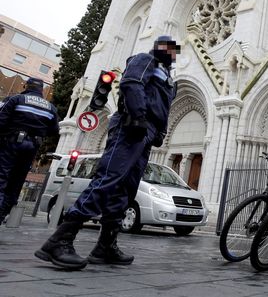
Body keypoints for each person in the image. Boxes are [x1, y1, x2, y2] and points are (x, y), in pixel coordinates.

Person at [35, 35, 179, 270]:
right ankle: (60, 239)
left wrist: (160, 131)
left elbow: (165, 107)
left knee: (126, 188)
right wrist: (139, 115)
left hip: (147, 132)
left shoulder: (170, 79)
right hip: (131, 124)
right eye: (167, 47)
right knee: (109, 178)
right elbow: (131, 84)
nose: (170, 52)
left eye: (173, 49)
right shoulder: (145, 60)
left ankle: (105, 245)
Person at [0, 78, 59, 225]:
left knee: (2, 178)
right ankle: (2, 215)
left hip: (11, 143)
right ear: (41, 90)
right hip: (32, 147)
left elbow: (1, 121)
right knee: (17, 182)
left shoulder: (17, 99)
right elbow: (54, 130)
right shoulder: (50, 108)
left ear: (26, 86)